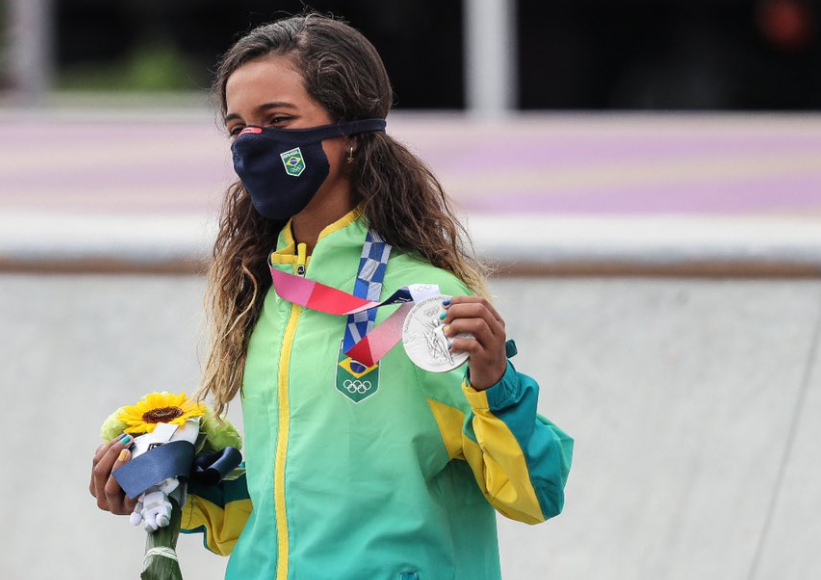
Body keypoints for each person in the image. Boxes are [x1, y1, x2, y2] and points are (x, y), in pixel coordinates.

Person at [91, 14, 573, 580]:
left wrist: (495, 386)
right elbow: (290, 513)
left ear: (349, 130)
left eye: (277, 119)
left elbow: (533, 495)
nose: (253, 144)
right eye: (237, 127)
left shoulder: (420, 301)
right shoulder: (266, 298)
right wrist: (169, 490)